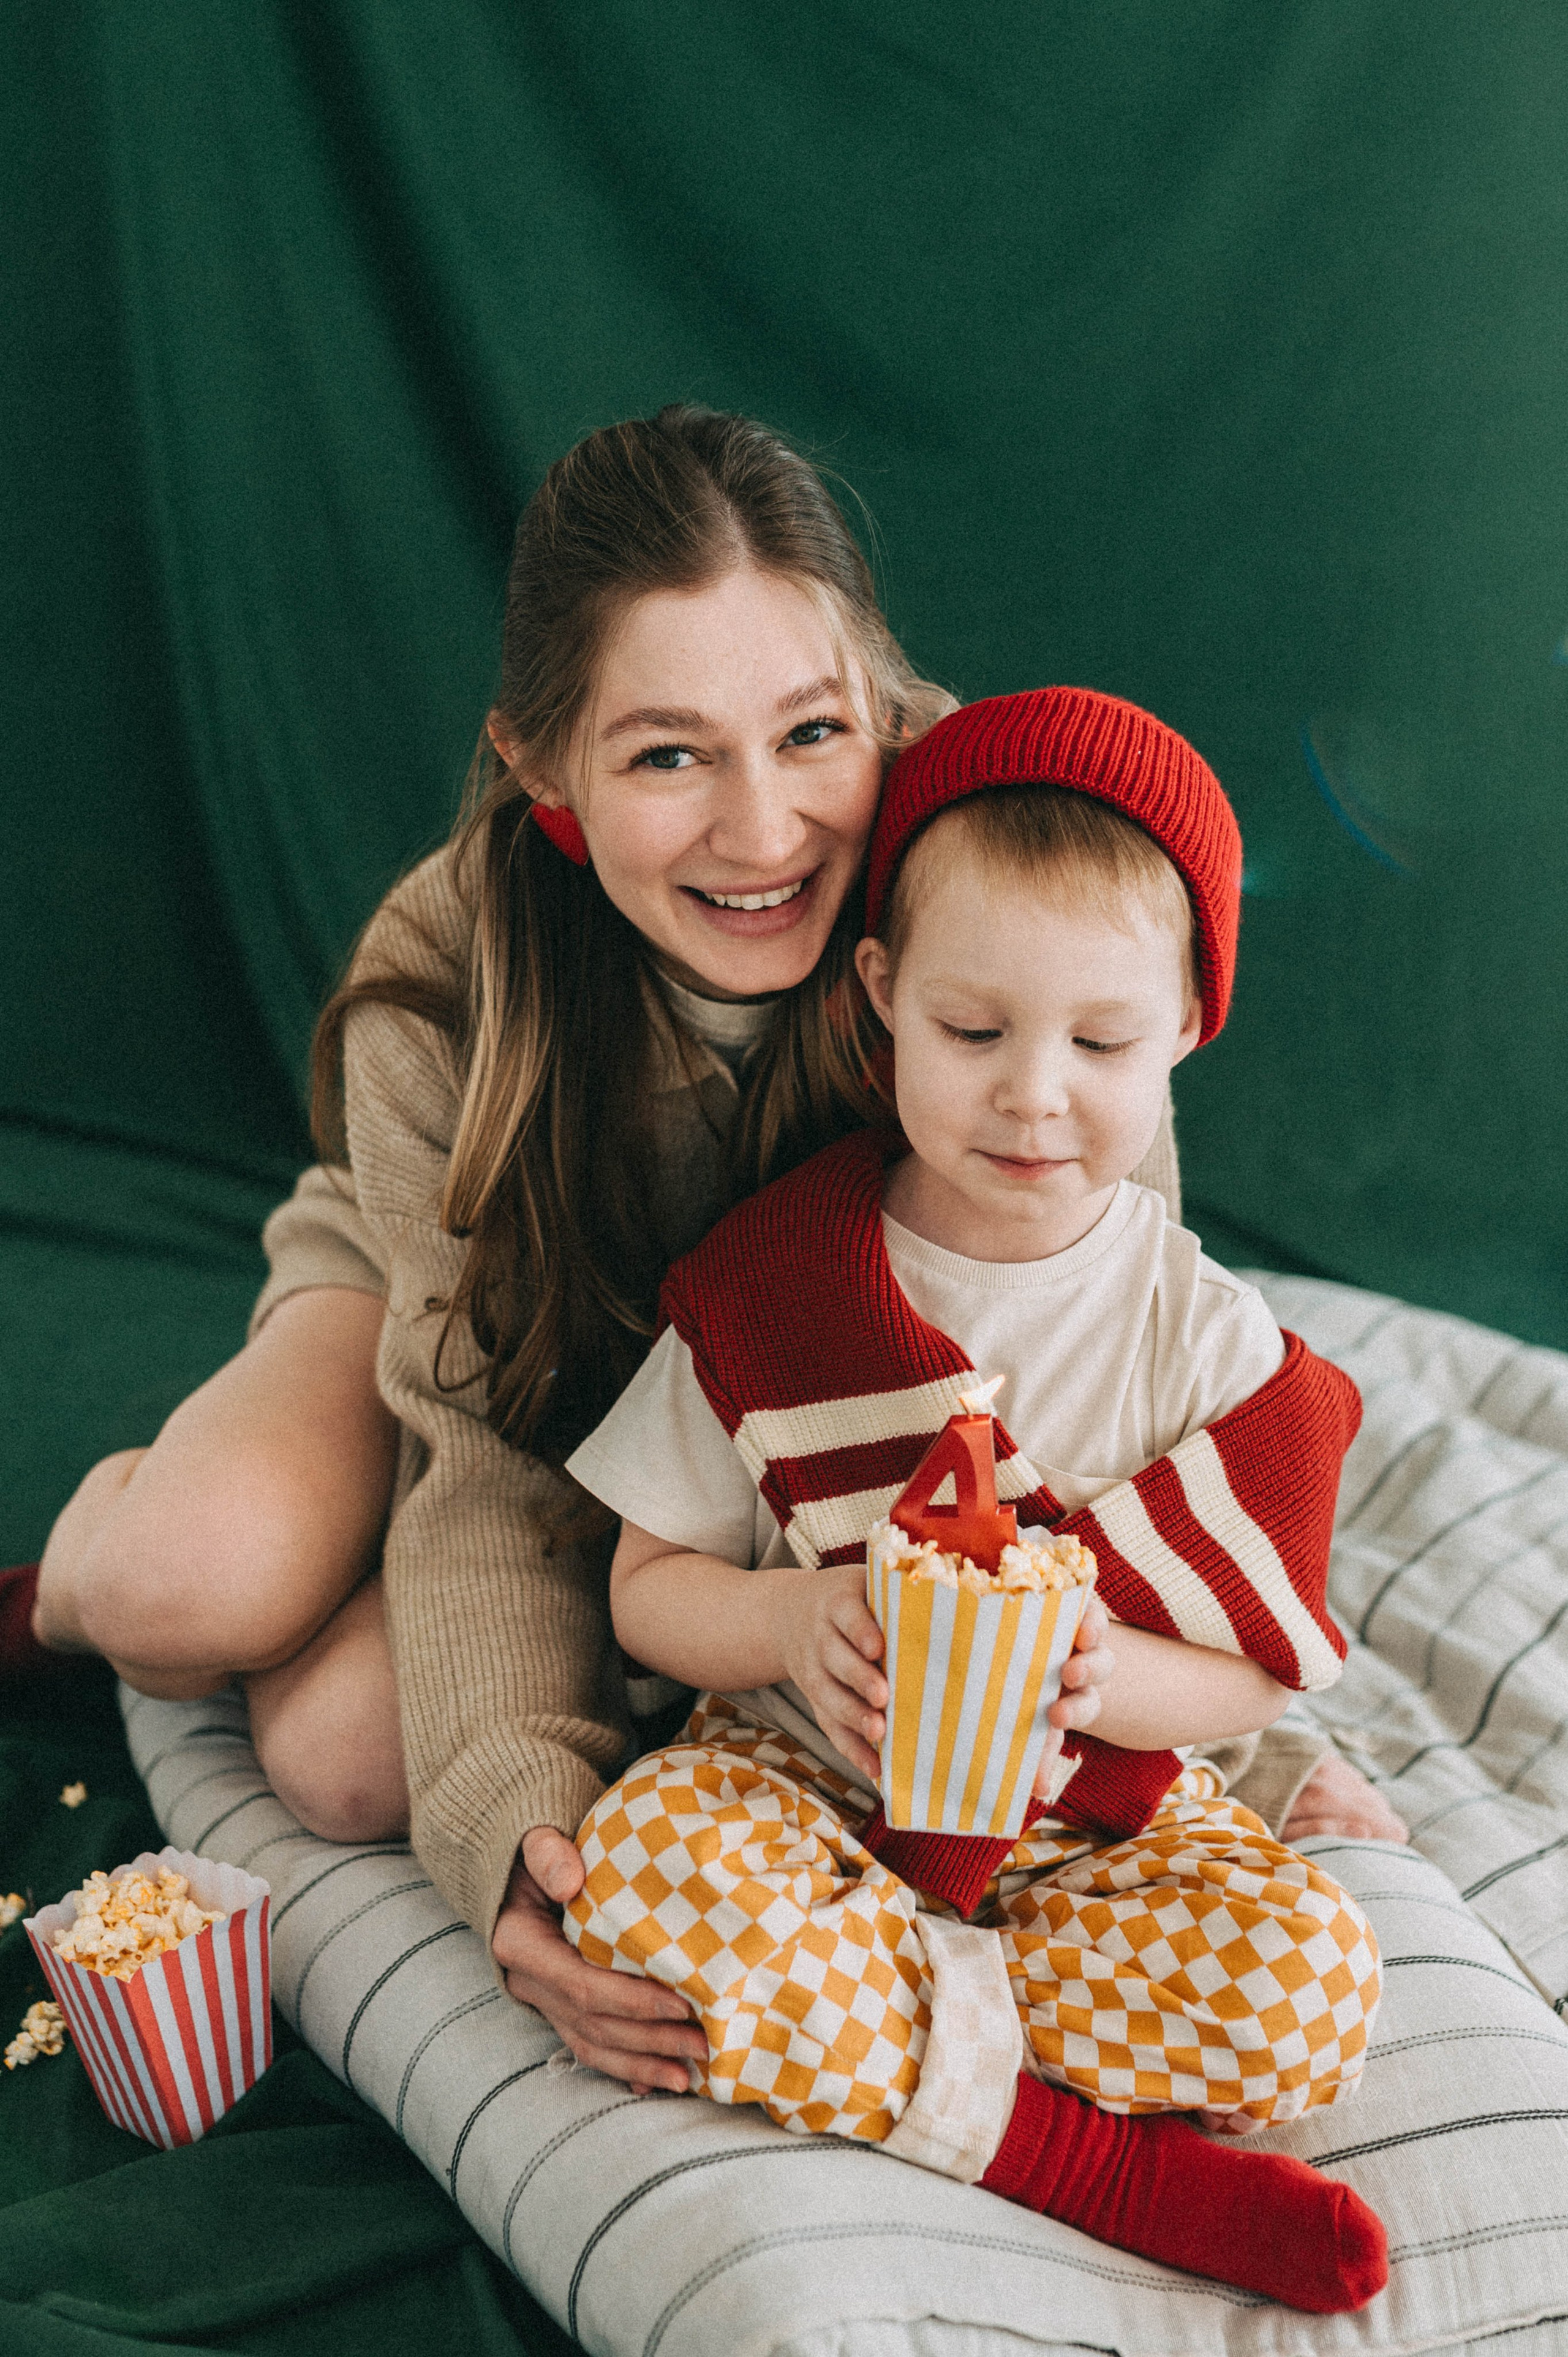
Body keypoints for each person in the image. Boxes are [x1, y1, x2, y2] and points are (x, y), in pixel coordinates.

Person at [27, 407, 1402, 2103]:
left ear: (880, 710)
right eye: (668, 755)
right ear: (546, 768)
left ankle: (414, 1607)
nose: (764, 832)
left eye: (812, 734)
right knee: (206, 1598)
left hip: (742, 1440)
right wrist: (519, 1824)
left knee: (335, 1748)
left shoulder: (1001, 866)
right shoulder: (451, 983)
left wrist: (1248, 1756)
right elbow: (489, 1459)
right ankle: (88, 1547)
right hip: (469, 1322)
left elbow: (1097, 1336)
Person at [560, 689, 1388, 2313]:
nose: (1033, 1096)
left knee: (1312, 1989)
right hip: (812, 1793)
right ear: (879, 998)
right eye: (974, 1030)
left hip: (1094, 1831)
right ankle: (1072, 2157)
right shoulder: (781, 1282)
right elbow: (643, 1583)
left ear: (1188, 1028)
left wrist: (1112, 1674)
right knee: (640, 1870)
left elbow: (1253, 1670)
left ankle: (888, 2038)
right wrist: (792, 1619)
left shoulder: (1205, 1336)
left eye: (1100, 1042)